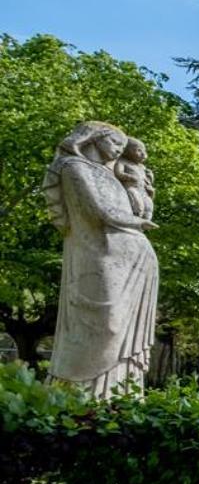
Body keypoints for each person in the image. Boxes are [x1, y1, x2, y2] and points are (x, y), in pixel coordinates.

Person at [42, 121, 160, 397]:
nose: (120, 150)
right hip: (98, 258)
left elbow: (141, 211)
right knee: (105, 323)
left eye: (122, 145)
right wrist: (138, 224)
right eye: (114, 142)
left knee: (119, 328)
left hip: (134, 261)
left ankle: (120, 396)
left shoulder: (113, 176)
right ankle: (82, 397)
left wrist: (140, 188)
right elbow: (99, 211)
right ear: (92, 139)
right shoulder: (75, 167)